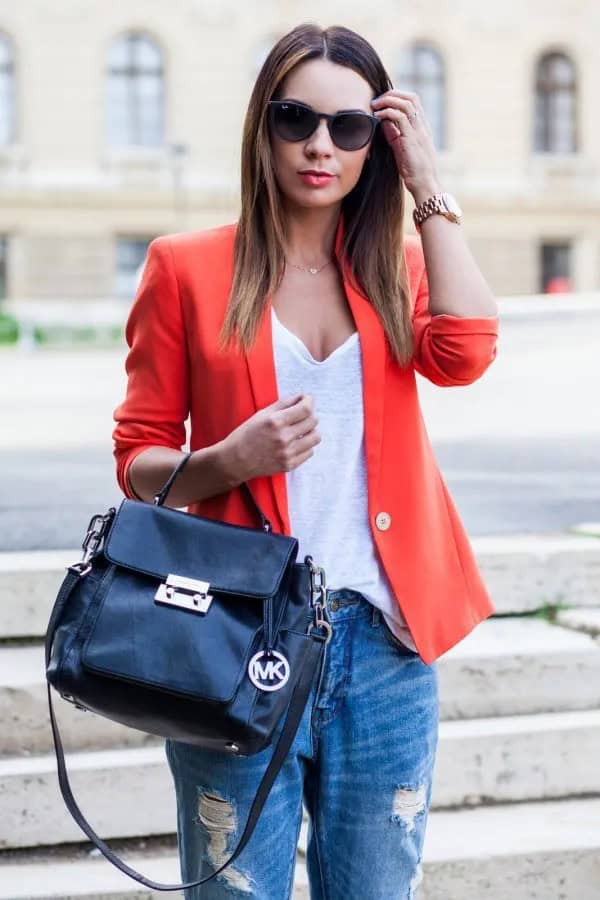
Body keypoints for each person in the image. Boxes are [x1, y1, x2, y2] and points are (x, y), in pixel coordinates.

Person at [112, 22, 500, 900]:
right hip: (236, 638)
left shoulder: (399, 269)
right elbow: (137, 455)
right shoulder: (187, 268)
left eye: (350, 128)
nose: (321, 145)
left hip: (386, 645)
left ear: (376, 143)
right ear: (264, 128)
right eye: (297, 119)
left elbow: (468, 352)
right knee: (231, 891)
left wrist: (429, 184)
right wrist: (224, 460)